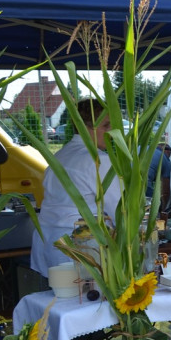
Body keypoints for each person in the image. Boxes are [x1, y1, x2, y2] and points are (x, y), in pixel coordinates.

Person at [31, 99, 121, 278]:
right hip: (79, 247)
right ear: (85, 127)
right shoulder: (98, 160)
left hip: (48, 243)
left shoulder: (60, 155)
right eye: (106, 125)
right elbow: (121, 211)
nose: (111, 131)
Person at [146, 137, 171, 215]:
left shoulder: (144, 148)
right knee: (153, 207)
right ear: (167, 151)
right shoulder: (164, 158)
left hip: (123, 182)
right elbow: (165, 190)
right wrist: (164, 209)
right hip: (143, 185)